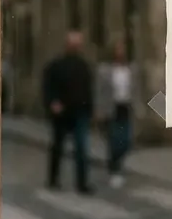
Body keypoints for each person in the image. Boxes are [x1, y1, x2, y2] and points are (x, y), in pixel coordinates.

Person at [42, 31, 94, 194]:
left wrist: (90, 109)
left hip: (80, 111)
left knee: (81, 147)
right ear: (67, 45)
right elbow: (48, 87)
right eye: (74, 44)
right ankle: (53, 179)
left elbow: (88, 89)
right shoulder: (56, 65)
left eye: (78, 44)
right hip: (62, 112)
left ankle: (82, 183)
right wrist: (52, 103)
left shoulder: (84, 66)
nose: (76, 47)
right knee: (58, 146)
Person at [96, 40, 136, 189]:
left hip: (125, 107)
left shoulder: (131, 70)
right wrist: (99, 111)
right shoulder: (105, 70)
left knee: (126, 141)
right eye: (118, 50)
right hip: (111, 109)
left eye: (123, 50)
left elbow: (136, 90)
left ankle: (117, 163)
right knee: (114, 140)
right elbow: (99, 92)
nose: (121, 53)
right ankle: (114, 170)